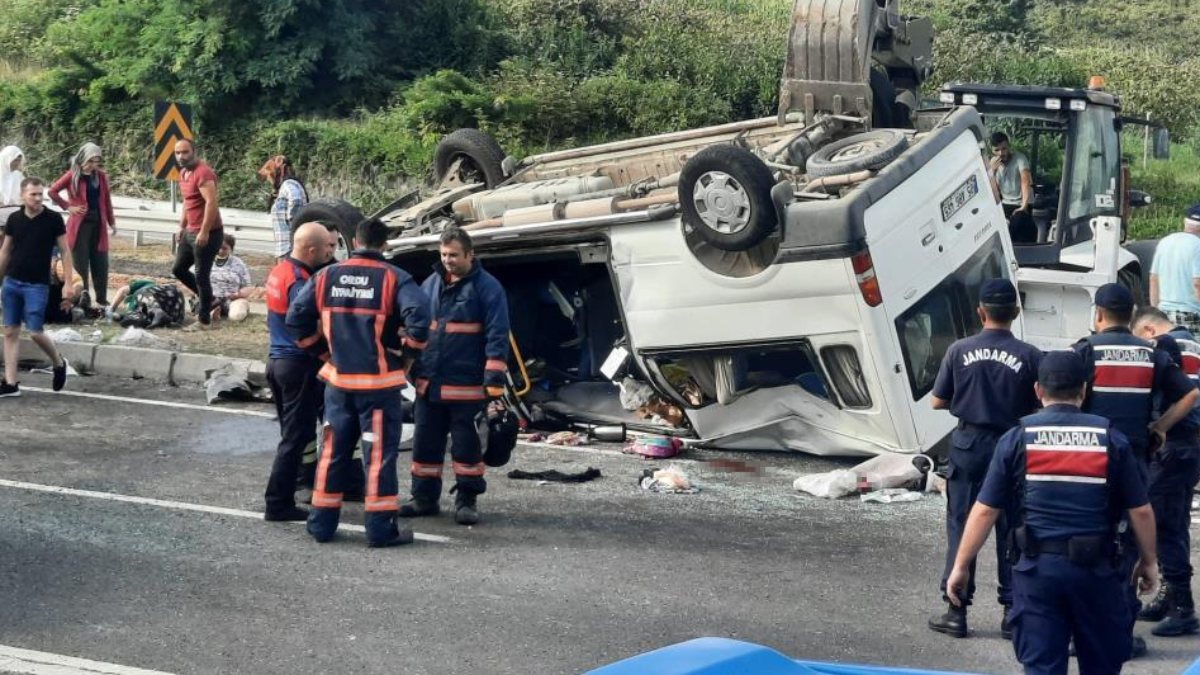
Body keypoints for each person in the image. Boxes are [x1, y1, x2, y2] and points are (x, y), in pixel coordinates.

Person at [946, 350, 1158, 675]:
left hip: (1037, 573)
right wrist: (1149, 561)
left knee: (1042, 667)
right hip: (1097, 574)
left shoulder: (1017, 438)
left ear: (1038, 390)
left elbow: (985, 510)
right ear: (1085, 390)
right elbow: (1140, 511)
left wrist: (960, 566)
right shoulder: (1111, 439)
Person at [286, 217, 430, 547]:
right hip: (378, 388)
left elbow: (295, 319)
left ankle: (321, 525)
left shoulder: (325, 276)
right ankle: (380, 530)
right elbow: (421, 322)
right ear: (384, 245)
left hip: (338, 385)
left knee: (333, 453)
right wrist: (408, 358)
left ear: (354, 239)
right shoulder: (395, 278)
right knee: (378, 457)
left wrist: (323, 352)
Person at [1073, 282, 1198, 658]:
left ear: (1098, 314)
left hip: (1090, 463)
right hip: (1134, 465)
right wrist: (1159, 427)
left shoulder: (1085, 350)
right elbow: (1189, 394)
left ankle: (1080, 633)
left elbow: (1065, 398)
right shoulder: (1151, 353)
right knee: (1127, 548)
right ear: (1130, 317)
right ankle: (1121, 637)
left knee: (1085, 542)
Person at [927, 278, 1042, 639]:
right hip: (1012, 443)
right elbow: (1040, 402)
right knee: (1014, 528)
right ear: (1016, 312)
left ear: (981, 312)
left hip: (968, 444)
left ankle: (956, 611)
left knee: (963, 525)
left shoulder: (959, 350)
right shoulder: (1030, 355)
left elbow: (937, 400)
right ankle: (1013, 612)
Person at [401, 227, 511, 526]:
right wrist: (410, 366)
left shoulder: (488, 288)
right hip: (430, 385)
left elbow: (497, 335)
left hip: (466, 387)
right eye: (443, 254)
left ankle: (467, 500)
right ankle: (423, 498)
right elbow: (420, 326)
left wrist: (493, 382)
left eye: (453, 255)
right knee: (425, 447)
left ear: (470, 254)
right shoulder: (431, 283)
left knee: (467, 449)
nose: (448, 260)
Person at [1131, 306, 1200, 636]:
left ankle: (1183, 607)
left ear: (1147, 330)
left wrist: (1158, 427)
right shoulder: (1194, 345)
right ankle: (1171, 596)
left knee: (1163, 525)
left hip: (1174, 444)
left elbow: (1175, 397)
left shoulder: (1166, 348)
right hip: (1189, 447)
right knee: (1175, 521)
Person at [262, 222, 336, 522]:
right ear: (310, 249)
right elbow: (302, 322)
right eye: (325, 248)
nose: (329, 254)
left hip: (278, 362)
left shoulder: (280, 271)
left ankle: (284, 496)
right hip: (298, 365)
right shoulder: (300, 281)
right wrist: (327, 352)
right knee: (295, 438)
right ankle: (278, 503)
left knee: (291, 435)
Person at [0, 178, 73, 396]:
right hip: (12, 282)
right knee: (10, 331)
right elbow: (5, 251)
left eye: (41, 194)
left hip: (37, 285)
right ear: (23, 195)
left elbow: (65, 251)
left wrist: (68, 283)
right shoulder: (14, 219)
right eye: (33, 194)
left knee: (35, 332)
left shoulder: (53, 219)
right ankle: (11, 384)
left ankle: (58, 362)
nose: (39, 198)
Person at [49, 142, 117, 308]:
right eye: (90, 161)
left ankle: (101, 298)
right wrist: (68, 206)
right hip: (79, 226)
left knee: (100, 261)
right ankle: (83, 298)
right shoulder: (73, 174)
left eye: (96, 161)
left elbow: (106, 200)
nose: (93, 165)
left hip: (98, 225)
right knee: (80, 263)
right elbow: (52, 191)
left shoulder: (100, 176)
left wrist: (111, 221)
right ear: (82, 159)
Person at [170, 139, 224, 327]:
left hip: (208, 232)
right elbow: (187, 202)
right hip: (190, 231)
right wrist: (181, 226)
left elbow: (211, 202)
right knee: (178, 269)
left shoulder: (203, 173)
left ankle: (204, 318)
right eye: (177, 153)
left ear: (194, 151)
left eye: (185, 152)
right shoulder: (183, 173)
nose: (181, 157)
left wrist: (205, 231)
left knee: (202, 274)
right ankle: (210, 299)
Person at [1148, 205, 1200, 334]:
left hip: (1164, 315)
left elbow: (1153, 278)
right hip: (1190, 315)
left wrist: (1155, 311)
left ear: (1185, 222)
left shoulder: (1165, 242)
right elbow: (1197, 283)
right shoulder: (1198, 246)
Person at [988, 132, 1036, 244]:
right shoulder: (992, 163)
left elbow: (1025, 180)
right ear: (992, 150)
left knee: (1017, 221)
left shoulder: (1020, 158)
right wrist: (992, 172)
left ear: (1008, 146)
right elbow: (991, 193)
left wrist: (1023, 206)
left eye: (1004, 149)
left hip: (1022, 203)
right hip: (1005, 204)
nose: (1001, 153)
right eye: (997, 150)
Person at [257, 155, 308, 259]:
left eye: (268, 175)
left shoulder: (288, 184)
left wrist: (292, 221)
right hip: (288, 248)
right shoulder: (289, 184)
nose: (268, 179)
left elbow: (296, 199)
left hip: (289, 249)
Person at [207, 233, 252, 323]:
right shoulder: (205, 260)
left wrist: (238, 294)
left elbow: (248, 287)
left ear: (231, 249)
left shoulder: (239, 264)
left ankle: (235, 311)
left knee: (236, 315)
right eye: (218, 247)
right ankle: (213, 312)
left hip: (233, 300)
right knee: (204, 309)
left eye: (224, 248)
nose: (220, 251)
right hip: (210, 298)